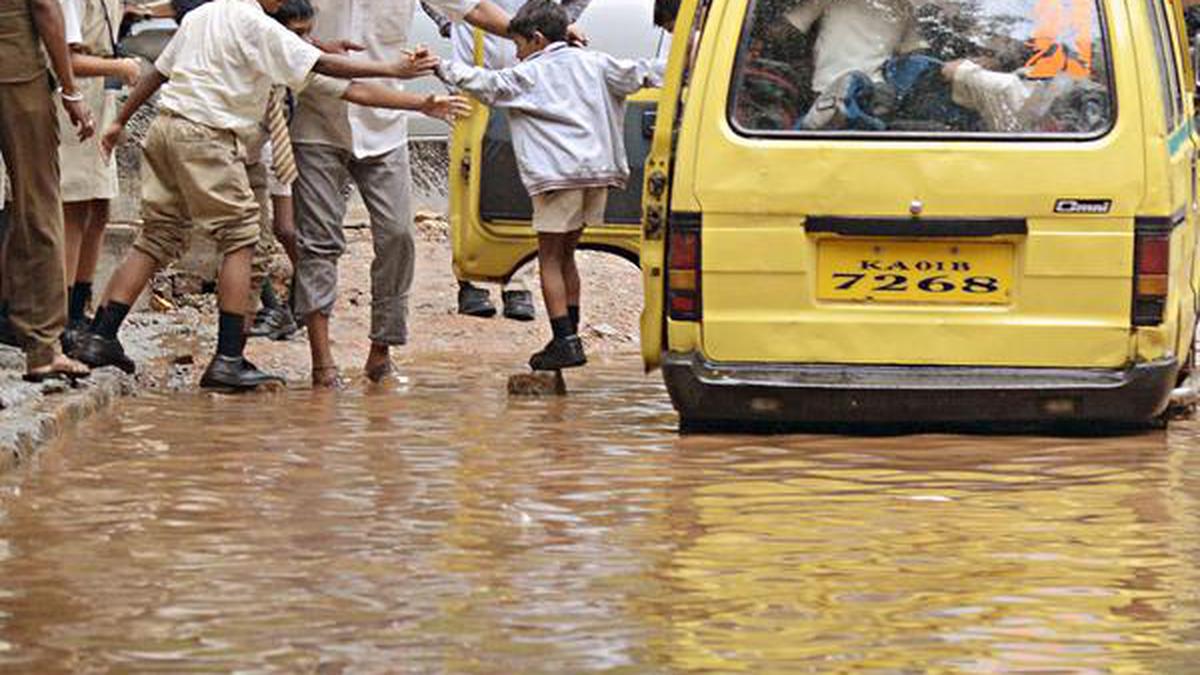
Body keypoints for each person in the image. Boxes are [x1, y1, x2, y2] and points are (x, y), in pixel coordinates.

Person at [72, 0, 468, 390]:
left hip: (166, 129)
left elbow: (157, 74)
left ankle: (100, 334)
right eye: (299, 34)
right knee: (242, 237)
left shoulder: (205, 15)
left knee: (157, 235)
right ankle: (228, 358)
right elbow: (336, 76)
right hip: (209, 137)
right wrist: (396, 73)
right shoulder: (262, 29)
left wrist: (120, 121)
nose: (305, 39)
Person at [290, 0, 521, 388]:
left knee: (398, 235)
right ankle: (322, 362)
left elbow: (476, 10)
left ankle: (382, 351)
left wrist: (542, 35)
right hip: (315, 121)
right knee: (317, 244)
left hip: (384, 125)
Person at [436, 0, 661, 370]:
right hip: (598, 176)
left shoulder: (531, 73)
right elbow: (646, 72)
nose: (517, 53)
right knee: (568, 255)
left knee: (550, 259)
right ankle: (570, 333)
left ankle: (563, 341)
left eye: (519, 45)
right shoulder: (597, 62)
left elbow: (485, 83)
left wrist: (438, 65)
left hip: (556, 180)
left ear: (537, 39)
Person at [420, 0, 591, 323]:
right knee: (467, 177)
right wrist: (450, 22)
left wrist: (557, 26)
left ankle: (517, 279)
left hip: (528, 73)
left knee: (520, 178)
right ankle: (470, 277)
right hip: (473, 75)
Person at [0, 0, 95, 382]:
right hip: (15, 71)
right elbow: (44, 6)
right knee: (37, 205)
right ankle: (42, 347)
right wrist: (71, 90)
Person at [58, 0, 145, 353]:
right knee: (74, 208)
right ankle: (62, 316)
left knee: (99, 208)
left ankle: (79, 306)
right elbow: (65, 58)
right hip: (75, 95)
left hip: (99, 95)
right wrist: (119, 66)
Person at [784, 0, 923, 129]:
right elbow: (917, 53)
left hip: (827, 90)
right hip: (874, 97)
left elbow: (788, 29)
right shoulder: (904, 7)